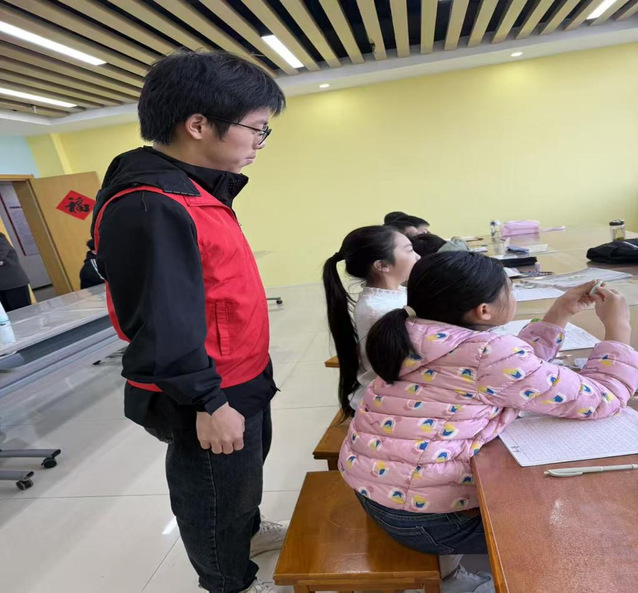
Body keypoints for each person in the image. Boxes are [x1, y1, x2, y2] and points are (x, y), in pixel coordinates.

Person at [91, 51, 286, 593]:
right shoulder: (151, 204)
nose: (259, 143)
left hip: (239, 372)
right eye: (256, 128)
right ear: (198, 124)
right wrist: (207, 402)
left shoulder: (194, 188)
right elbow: (160, 320)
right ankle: (229, 582)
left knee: (242, 479)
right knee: (214, 497)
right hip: (206, 388)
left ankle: (248, 534)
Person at [339, 251, 638, 592]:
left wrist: (559, 313)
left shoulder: (413, 331)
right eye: (510, 290)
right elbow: (602, 398)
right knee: (579, 528)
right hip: (426, 522)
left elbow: (515, 370)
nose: (512, 296)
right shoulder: (488, 353)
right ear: (483, 312)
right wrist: (618, 330)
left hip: (379, 496)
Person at [322, 226, 419, 414]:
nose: (417, 256)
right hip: (388, 401)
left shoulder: (393, 293)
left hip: (397, 388)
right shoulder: (380, 310)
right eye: (409, 250)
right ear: (382, 265)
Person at [0, 232, 30, 311]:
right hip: (2, 287)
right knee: (9, 315)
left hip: (14, 284)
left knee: (24, 312)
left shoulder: (0, 238)